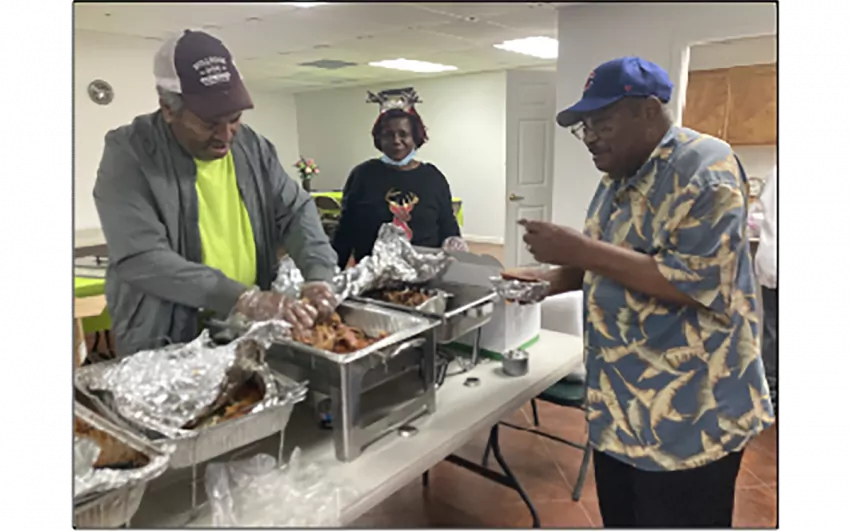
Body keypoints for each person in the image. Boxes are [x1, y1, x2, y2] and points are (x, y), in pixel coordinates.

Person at [509, 57, 774, 527]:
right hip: (623, 408)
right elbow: (611, 261)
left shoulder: (705, 169)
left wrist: (579, 249)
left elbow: (695, 283)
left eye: (603, 122)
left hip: (690, 418)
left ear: (649, 111)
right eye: (585, 127)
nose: (591, 137)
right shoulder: (619, 177)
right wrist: (546, 281)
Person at [93, 30, 338, 356]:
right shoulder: (130, 152)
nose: (226, 135)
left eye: (234, 119)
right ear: (168, 108)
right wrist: (242, 298)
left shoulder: (252, 146)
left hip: (244, 329)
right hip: (166, 338)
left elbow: (295, 210)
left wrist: (318, 275)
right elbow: (142, 257)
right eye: (209, 123)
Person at [331, 89, 465, 268]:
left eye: (403, 134)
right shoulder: (362, 175)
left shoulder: (433, 178)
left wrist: (454, 253)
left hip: (425, 272)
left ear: (415, 138)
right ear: (379, 139)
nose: (396, 140)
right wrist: (331, 271)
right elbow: (346, 229)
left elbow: (448, 225)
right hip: (373, 272)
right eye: (388, 134)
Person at [754, 165, 778, 410]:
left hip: (771, 262)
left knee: (772, 331)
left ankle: (770, 395)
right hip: (772, 262)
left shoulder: (775, 171)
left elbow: (759, 215)